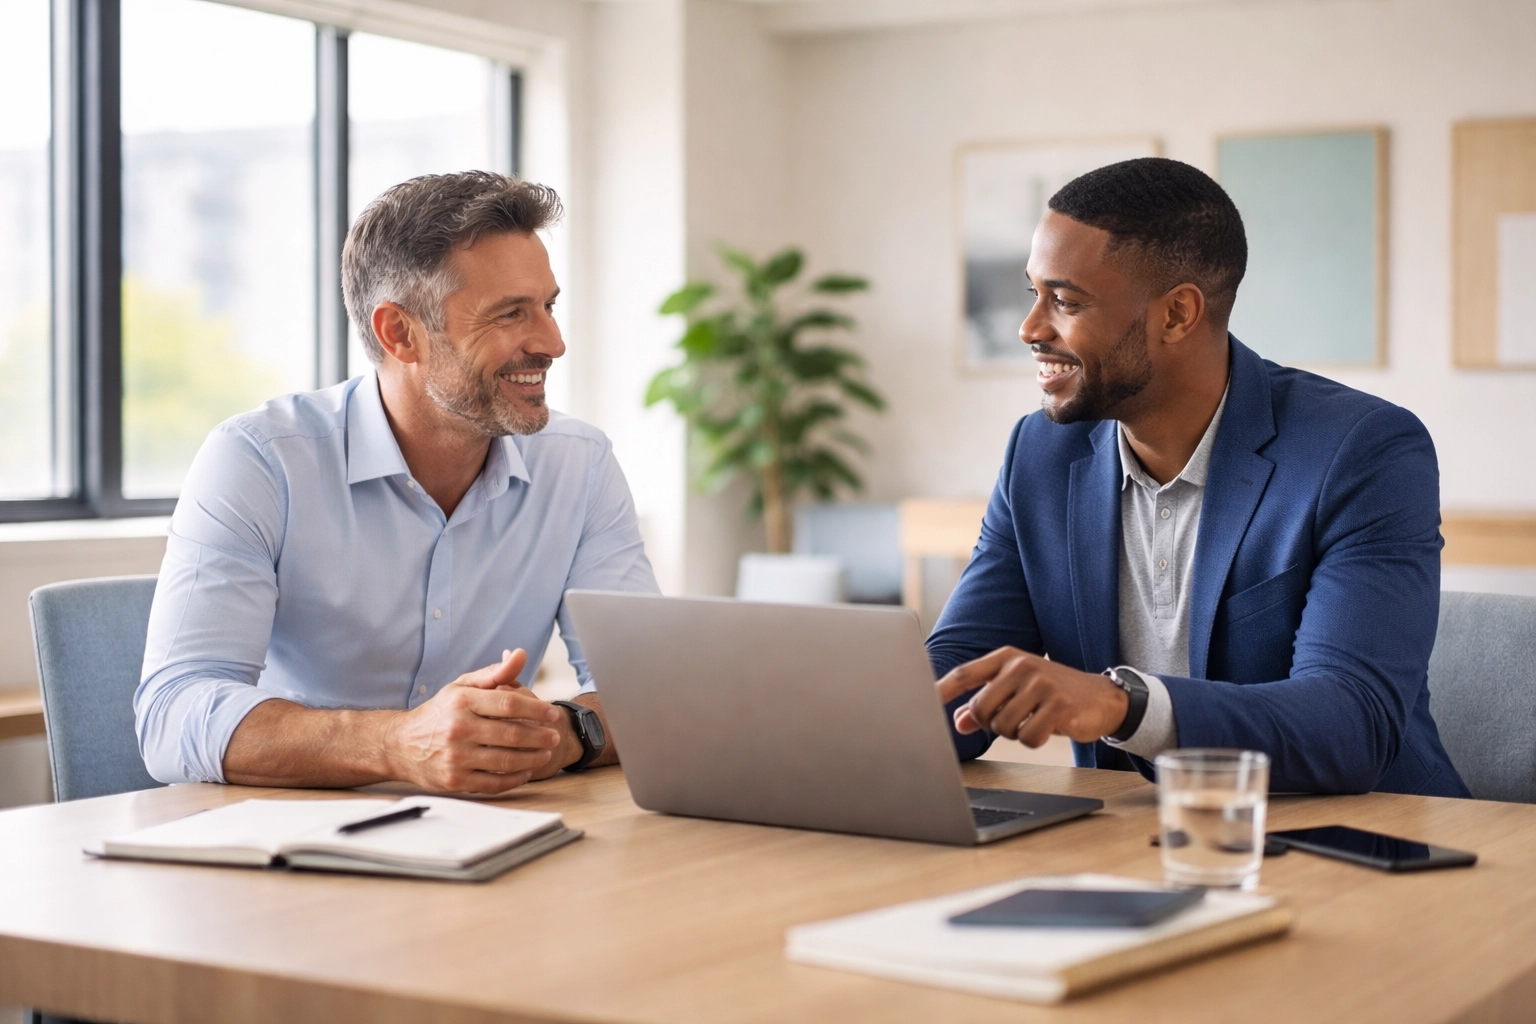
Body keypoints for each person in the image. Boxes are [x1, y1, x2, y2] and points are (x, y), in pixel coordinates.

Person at [929, 157, 1468, 797]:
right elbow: (956, 679)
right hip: (1130, 844)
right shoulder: (1041, 456)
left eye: (1067, 301)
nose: (1030, 328)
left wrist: (1123, 704)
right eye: (1034, 294)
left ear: (1178, 314)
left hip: (1362, 843)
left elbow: (1351, 723)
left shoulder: (1360, 451)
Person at [135, 171, 657, 794]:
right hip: (287, 842)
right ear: (399, 333)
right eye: (511, 314)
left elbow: (651, 692)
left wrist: (557, 736)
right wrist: (397, 745)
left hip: (485, 833)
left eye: (547, 305)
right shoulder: (259, 460)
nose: (552, 342)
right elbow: (172, 716)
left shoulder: (580, 463)